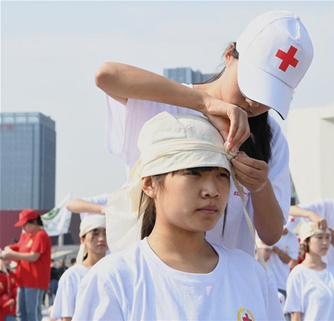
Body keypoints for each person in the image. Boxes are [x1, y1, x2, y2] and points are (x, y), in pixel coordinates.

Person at [94, 10, 314, 255]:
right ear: (229, 55)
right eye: (250, 87)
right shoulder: (170, 101)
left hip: (222, 283)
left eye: (267, 97)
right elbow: (105, 75)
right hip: (151, 272)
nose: (253, 104)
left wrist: (261, 187)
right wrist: (204, 103)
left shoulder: (271, 137)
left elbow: (271, 234)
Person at [73, 112, 283, 320]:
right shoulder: (114, 280)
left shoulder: (250, 274)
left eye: (221, 174)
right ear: (149, 184)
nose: (212, 190)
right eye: (193, 172)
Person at [284, 221, 334, 321]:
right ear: (306, 241)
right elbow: (295, 317)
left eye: (327, 237)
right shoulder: (298, 274)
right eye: (319, 237)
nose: (325, 242)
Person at [51, 215, 107, 321]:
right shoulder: (72, 275)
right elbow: (66, 317)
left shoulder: (115, 272)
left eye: (105, 233)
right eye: (95, 233)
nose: (101, 238)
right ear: (82, 239)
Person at [0, 209, 51, 321]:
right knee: (20, 314)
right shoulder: (26, 236)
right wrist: (8, 251)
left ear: (34, 222)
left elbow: (33, 256)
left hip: (35, 281)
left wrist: (11, 253)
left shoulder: (40, 235)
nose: (23, 228)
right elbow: (14, 247)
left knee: (32, 313)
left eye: (24, 225)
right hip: (22, 280)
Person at [266, 225, 299, 298]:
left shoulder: (292, 238)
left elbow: (292, 262)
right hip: (265, 281)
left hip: (281, 284)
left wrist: (278, 251)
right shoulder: (266, 232)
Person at [0, 257, 17, 321]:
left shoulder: (13, 275)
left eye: (7, 259)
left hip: (11, 310)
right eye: (3, 260)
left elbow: (16, 290)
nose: (6, 262)